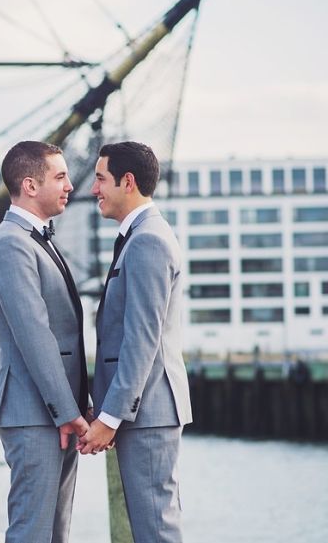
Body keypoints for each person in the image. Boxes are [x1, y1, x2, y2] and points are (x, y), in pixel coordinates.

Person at [78, 141, 192, 543]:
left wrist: (110, 419)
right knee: (150, 525)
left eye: (100, 178)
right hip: (146, 410)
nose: (93, 189)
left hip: (149, 411)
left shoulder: (147, 241)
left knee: (156, 528)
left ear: (128, 182)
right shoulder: (139, 236)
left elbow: (142, 338)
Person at [0, 140, 90, 543]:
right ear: (30, 185)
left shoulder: (36, 239)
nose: (70, 186)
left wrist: (77, 404)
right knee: (32, 531)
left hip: (55, 411)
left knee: (55, 532)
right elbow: (35, 336)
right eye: (60, 177)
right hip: (34, 414)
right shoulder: (11, 244)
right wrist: (67, 411)